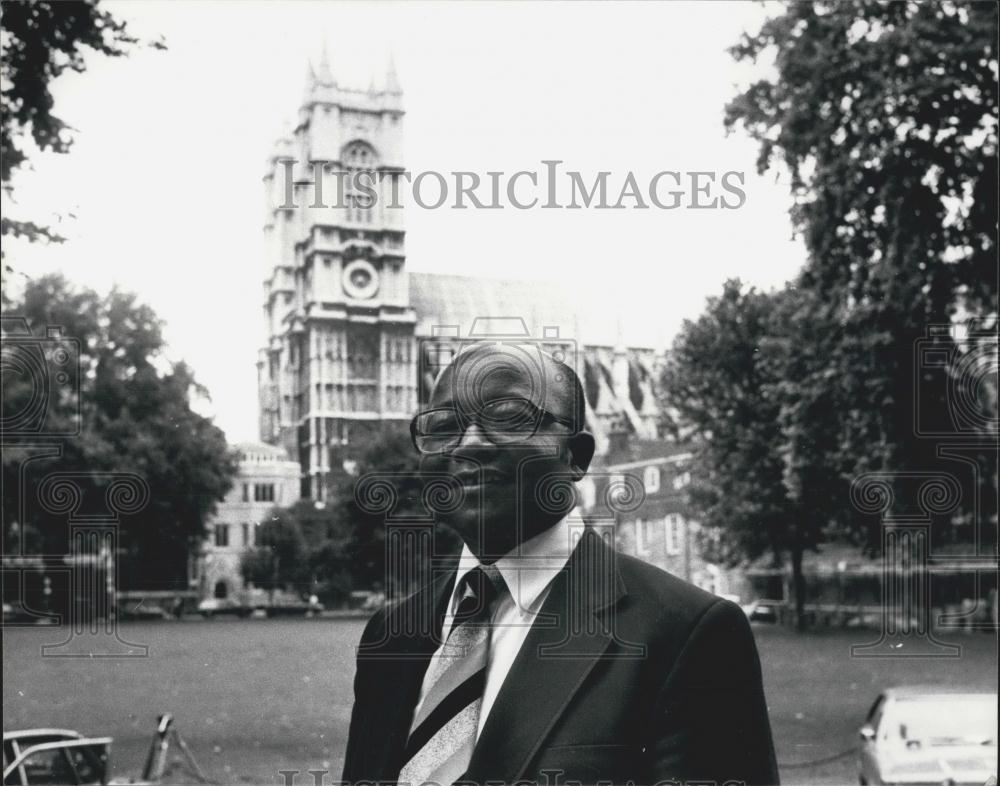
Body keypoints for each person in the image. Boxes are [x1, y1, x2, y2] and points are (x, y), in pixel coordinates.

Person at [341, 342, 779, 785]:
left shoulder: (687, 633)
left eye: (508, 417)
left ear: (577, 456)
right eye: (443, 425)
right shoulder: (391, 634)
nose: (469, 442)